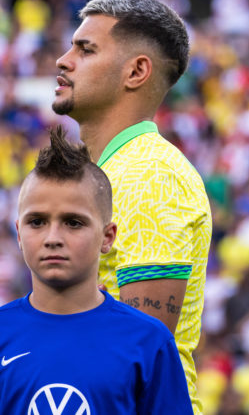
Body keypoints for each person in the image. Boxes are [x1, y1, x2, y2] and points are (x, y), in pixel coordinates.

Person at [52, 0, 212, 413]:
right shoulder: (109, 170)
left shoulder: (150, 174)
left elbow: (139, 352)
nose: (63, 60)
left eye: (85, 50)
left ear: (137, 71)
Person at [0, 127, 192, 413]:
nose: (53, 238)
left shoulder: (149, 341)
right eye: (37, 222)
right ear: (18, 232)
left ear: (108, 237)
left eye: (73, 222)